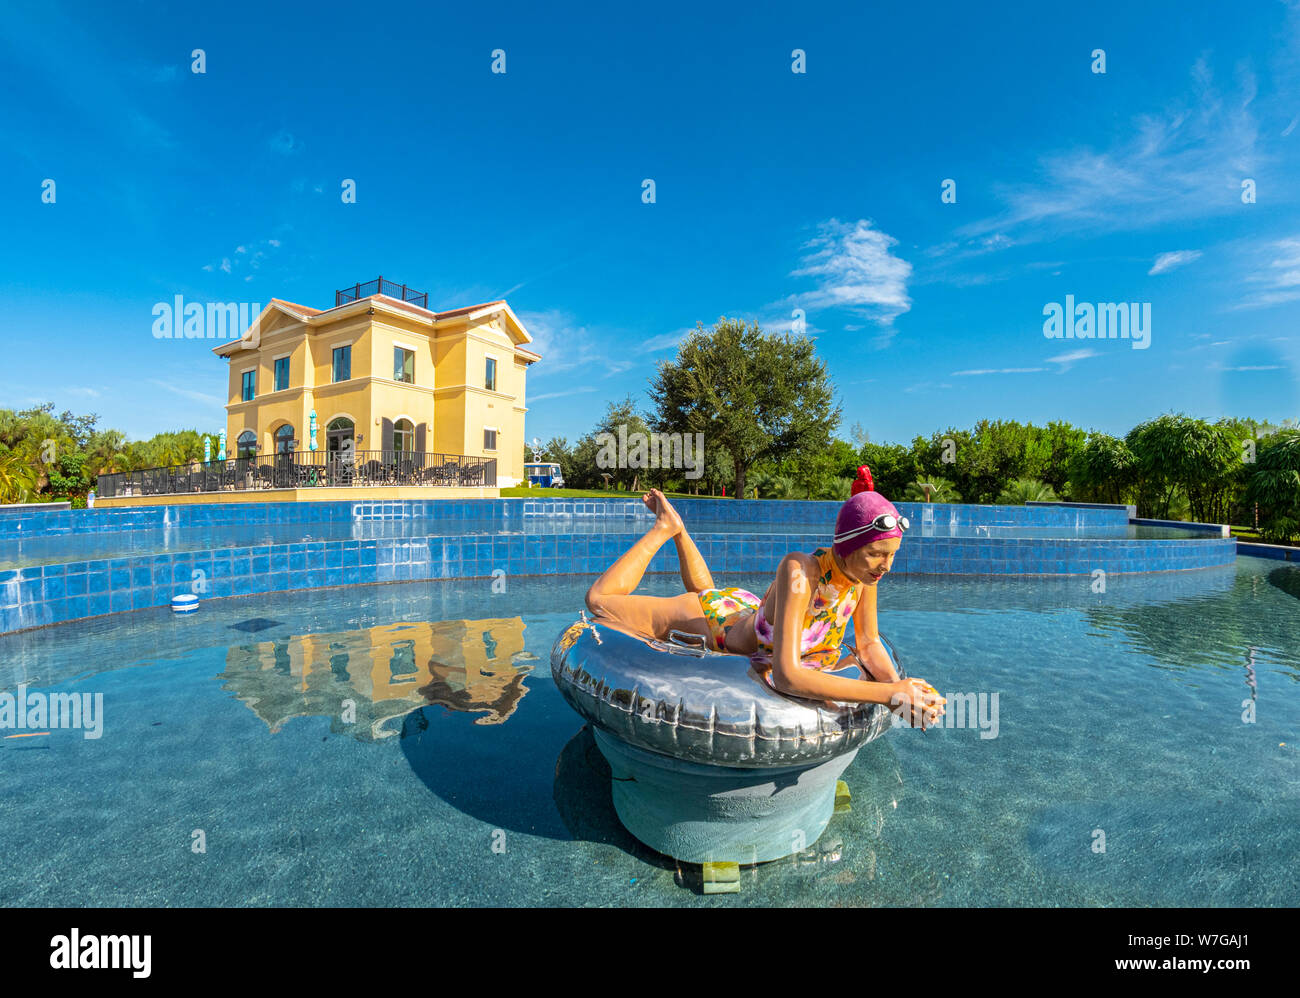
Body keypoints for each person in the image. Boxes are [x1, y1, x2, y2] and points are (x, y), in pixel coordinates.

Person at [584, 488, 945, 727]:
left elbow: (867, 644)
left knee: (709, 590)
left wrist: (904, 692)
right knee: (600, 603)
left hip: (749, 610)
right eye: (876, 554)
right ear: (847, 546)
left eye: (892, 555)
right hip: (720, 626)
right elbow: (787, 675)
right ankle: (665, 528)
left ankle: (680, 531)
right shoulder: (800, 570)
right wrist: (888, 694)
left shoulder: (863, 578)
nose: (886, 566)